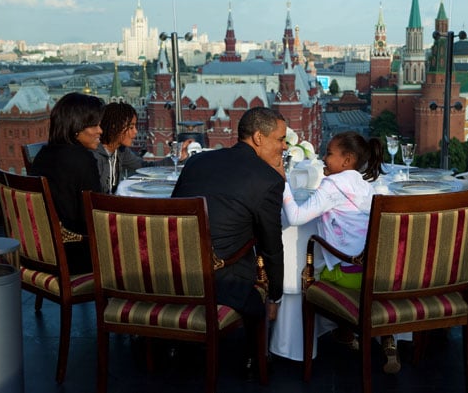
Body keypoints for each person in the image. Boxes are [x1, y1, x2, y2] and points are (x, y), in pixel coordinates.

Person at [171, 106, 287, 376]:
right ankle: (254, 355)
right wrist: (276, 297)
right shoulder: (268, 179)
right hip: (218, 282)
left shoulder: (197, 162)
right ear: (258, 138)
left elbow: (174, 212)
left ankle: (174, 343)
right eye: (280, 139)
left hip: (172, 274)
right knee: (254, 293)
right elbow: (271, 247)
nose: (284, 147)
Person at [281, 131, 402, 374]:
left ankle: (345, 332)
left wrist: (282, 183)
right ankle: (385, 336)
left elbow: (294, 217)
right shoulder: (364, 183)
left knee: (314, 275)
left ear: (347, 160)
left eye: (329, 153)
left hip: (350, 274)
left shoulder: (333, 185)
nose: (323, 158)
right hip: (378, 271)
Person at [30, 92, 104, 274]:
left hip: (43, 253)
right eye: (94, 125)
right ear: (76, 127)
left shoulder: (43, 155)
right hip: (76, 257)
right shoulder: (82, 160)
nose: (100, 131)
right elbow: (95, 215)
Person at [95, 101, 191, 193]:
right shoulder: (94, 156)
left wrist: (177, 158)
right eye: (131, 127)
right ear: (114, 127)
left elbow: (146, 167)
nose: (136, 132)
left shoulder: (121, 151)